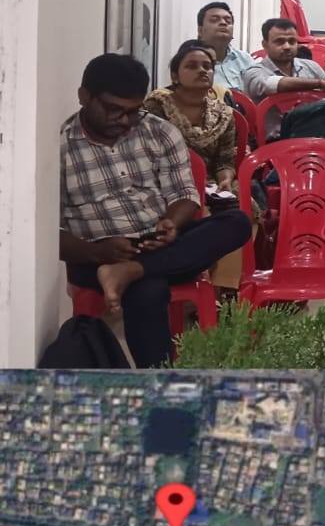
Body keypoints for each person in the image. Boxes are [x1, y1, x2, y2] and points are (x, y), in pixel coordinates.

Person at [59, 54, 252, 366]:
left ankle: (131, 271)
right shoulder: (59, 147)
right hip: (96, 254)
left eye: (133, 112)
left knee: (237, 221)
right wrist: (97, 253)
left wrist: (172, 222)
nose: (124, 121)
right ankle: (159, 378)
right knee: (148, 289)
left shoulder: (158, 131)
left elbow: (185, 194)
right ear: (84, 96)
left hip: (159, 243)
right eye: (113, 109)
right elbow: (46, 235)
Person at [143, 40, 239, 193]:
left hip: (210, 185)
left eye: (207, 67)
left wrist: (225, 179)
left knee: (241, 202)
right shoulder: (158, 107)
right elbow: (148, 156)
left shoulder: (223, 115)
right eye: (192, 66)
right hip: (165, 182)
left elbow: (224, 162)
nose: (202, 71)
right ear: (175, 76)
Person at [243, 18, 325, 138]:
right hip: (275, 142)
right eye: (279, 42)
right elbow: (271, 84)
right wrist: (318, 84)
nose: (287, 46)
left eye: (292, 41)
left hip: (317, 137)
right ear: (265, 45)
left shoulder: (312, 67)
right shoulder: (254, 72)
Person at [196, 1, 254, 93]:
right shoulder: (191, 61)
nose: (223, 23)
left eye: (228, 21)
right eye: (214, 20)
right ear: (200, 30)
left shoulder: (245, 59)